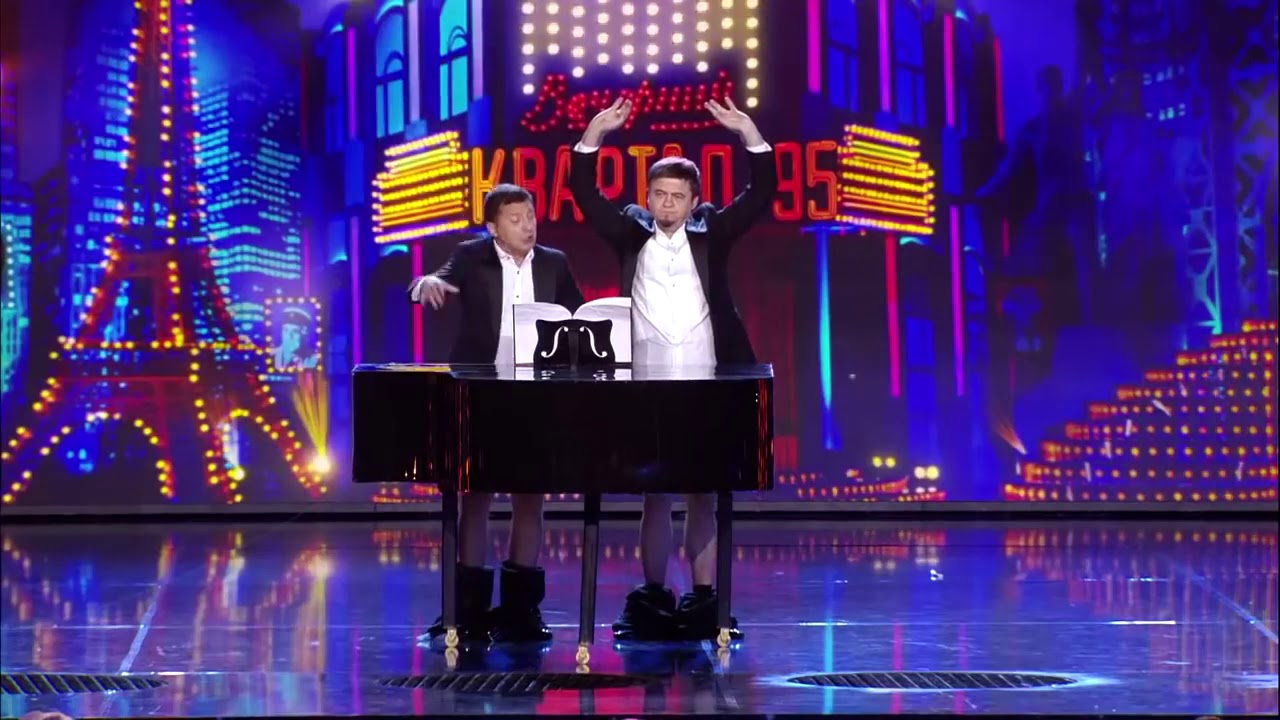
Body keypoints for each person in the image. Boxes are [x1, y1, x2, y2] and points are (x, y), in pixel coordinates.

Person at [569, 96, 777, 642]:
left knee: (703, 494)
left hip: (707, 382)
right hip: (646, 385)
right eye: (659, 194)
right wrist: (594, 136)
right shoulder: (629, 232)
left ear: (693, 201)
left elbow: (760, 195)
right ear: (648, 197)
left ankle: (705, 597)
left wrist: (749, 135)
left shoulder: (713, 233)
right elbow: (586, 195)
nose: (666, 204)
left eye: (677, 196)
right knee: (654, 495)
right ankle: (653, 595)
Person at [408, 184, 584, 645]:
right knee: (476, 496)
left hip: (536, 395)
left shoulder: (554, 262)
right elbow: (434, 279)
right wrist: (425, 284)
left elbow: (578, 319)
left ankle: (520, 611)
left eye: (531, 216)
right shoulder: (472, 256)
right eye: (515, 219)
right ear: (493, 227)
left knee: (530, 497)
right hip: (481, 391)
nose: (527, 226)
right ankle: (467, 610)